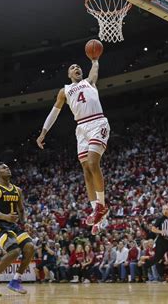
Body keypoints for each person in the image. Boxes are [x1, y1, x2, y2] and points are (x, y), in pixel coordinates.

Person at [36, 58, 110, 235]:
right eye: (72, 67)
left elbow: (95, 69)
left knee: (93, 164)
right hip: (81, 128)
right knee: (86, 170)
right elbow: (54, 112)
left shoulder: (89, 81)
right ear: (68, 74)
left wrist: (95, 59)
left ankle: (101, 206)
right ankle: (97, 211)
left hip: (97, 123)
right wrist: (43, 132)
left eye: (78, 66)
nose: (76, 68)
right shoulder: (65, 91)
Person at [0, 162, 35, 296]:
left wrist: (24, 221)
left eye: (7, 167)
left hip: (13, 225)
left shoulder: (17, 190)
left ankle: (15, 281)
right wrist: (6, 217)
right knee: (15, 250)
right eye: (3, 168)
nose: (7, 168)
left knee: (30, 247)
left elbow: (21, 209)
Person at [143, 204, 168, 282]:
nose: (165, 210)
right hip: (161, 242)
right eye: (164, 209)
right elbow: (153, 229)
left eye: (167, 209)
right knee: (156, 258)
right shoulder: (160, 219)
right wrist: (160, 231)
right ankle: (145, 266)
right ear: (162, 211)